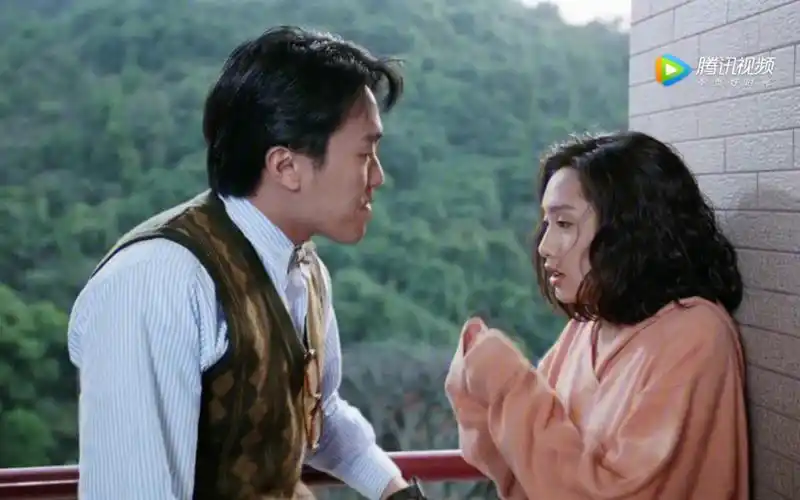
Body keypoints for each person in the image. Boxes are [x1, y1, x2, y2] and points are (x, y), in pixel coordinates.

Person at [68, 26, 427, 500]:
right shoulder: (159, 281)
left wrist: (396, 492)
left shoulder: (304, 270)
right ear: (285, 166)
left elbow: (318, 413)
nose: (377, 176)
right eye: (365, 153)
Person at [444, 131, 748, 499]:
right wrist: (479, 389)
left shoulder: (695, 335)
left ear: (629, 230)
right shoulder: (587, 326)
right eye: (546, 223)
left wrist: (506, 382)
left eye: (564, 224)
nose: (544, 246)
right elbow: (527, 473)